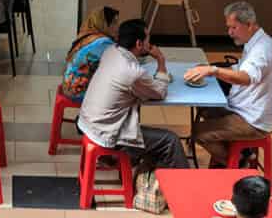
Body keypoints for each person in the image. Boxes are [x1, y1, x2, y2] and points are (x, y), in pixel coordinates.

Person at [77, 19, 189, 169]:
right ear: (138, 44)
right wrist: (161, 61)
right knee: (170, 140)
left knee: (148, 136)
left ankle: (148, 172)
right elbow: (160, 92)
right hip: (104, 132)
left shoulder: (111, 51)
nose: (150, 41)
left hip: (87, 122)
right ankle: (182, 187)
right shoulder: (133, 73)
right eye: (148, 38)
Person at [185, 1, 272, 168]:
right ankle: (238, 152)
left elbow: (245, 77)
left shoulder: (261, 49)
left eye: (233, 28)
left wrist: (214, 71)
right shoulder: (256, 41)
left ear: (249, 25)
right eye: (228, 27)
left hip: (252, 120)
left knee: (199, 133)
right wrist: (208, 69)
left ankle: (237, 162)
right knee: (206, 109)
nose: (229, 33)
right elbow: (242, 68)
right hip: (243, 108)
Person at [61, 6, 120, 103]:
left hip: (68, 86)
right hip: (78, 91)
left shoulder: (87, 35)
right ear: (103, 24)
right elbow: (119, 65)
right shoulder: (102, 42)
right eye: (114, 23)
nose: (117, 27)